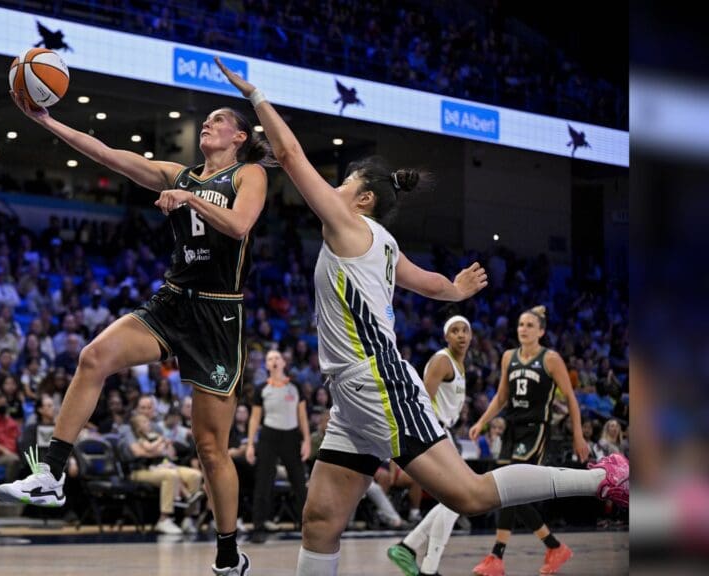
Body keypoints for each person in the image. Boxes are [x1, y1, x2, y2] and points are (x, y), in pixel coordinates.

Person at [214, 57, 629, 576]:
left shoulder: (348, 224)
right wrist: (455, 288)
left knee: (470, 495)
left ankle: (604, 480)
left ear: (362, 198)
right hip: (351, 396)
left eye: (344, 183)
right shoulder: (381, 242)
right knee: (320, 519)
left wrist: (256, 96)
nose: (334, 189)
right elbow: (425, 281)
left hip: (377, 382)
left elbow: (291, 153)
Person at [0, 83, 275, 576]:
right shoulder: (180, 173)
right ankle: (53, 473)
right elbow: (108, 155)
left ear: (240, 135)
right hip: (172, 302)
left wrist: (188, 198)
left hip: (218, 314)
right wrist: (46, 122)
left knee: (211, 449)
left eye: (217, 119)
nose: (207, 124)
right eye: (206, 120)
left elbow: (239, 226)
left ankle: (229, 555)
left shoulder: (248, 173)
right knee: (92, 357)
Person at [468, 306, 590, 576]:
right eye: (521, 324)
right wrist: (482, 422)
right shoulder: (508, 357)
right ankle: (553, 546)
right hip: (511, 428)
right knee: (504, 490)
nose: (523, 328)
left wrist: (578, 435)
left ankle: (497, 557)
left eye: (530, 325)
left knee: (510, 489)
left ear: (541, 331)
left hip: (535, 430)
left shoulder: (551, 359)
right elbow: (501, 397)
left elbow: (570, 398)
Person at [387, 315, 473, 576]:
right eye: (454, 330)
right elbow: (421, 399)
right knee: (458, 500)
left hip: (445, 432)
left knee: (454, 501)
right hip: (435, 434)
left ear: (470, 336)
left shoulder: (459, 364)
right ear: (446, 336)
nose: (460, 334)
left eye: (465, 330)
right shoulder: (442, 360)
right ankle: (427, 566)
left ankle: (409, 547)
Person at [246, 349, 310, 543]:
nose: (274, 361)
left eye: (277, 358)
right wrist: (250, 444)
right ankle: (259, 524)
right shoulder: (261, 389)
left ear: (284, 362)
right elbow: (255, 418)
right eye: (270, 359)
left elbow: (302, 417)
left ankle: (306, 523)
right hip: (269, 435)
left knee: (299, 480)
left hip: (291, 436)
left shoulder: (295, 387)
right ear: (266, 365)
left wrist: (306, 440)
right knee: (264, 480)